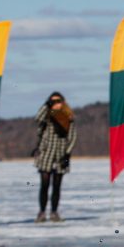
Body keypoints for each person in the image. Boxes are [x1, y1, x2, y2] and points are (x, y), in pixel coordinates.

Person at [33, 92, 77, 223]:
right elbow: (37, 119)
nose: (56, 104)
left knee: (57, 185)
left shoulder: (68, 117)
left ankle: (54, 212)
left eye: (58, 101)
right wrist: (47, 106)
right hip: (46, 153)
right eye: (53, 101)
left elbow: (73, 137)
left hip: (61, 154)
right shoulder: (46, 116)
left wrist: (67, 153)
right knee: (44, 184)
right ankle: (41, 212)